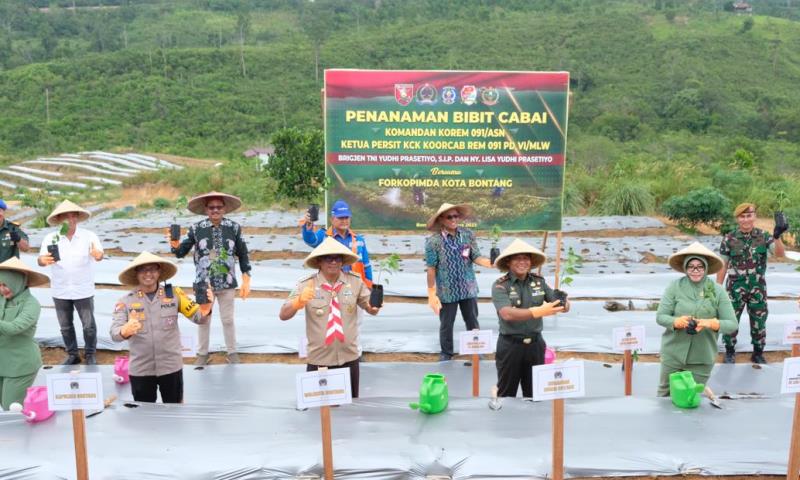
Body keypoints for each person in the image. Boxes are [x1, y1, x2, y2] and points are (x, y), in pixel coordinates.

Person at [279, 237, 380, 398]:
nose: (333, 262)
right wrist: (298, 302)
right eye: (328, 258)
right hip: (319, 361)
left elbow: (370, 307)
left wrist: (375, 305)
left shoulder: (355, 282)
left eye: (337, 258)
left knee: (350, 412)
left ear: (342, 261)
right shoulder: (306, 284)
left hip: (349, 359)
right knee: (318, 415)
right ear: (319, 261)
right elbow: (283, 315)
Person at [110, 252, 213, 403]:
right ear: (136, 273)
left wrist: (206, 308)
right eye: (143, 270)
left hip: (171, 368)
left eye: (152, 269)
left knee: (174, 413)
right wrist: (124, 331)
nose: (148, 274)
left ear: (159, 272)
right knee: (145, 417)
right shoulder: (125, 302)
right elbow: (114, 333)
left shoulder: (175, 295)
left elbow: (199, 318)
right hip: (141, 370)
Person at [169, 191, 252, 365]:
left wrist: (246, 276)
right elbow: (180, 253)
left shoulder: (234, 228)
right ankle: (202, 354)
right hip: (203, 283)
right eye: (211, 207)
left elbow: (243, 253)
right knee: (203, 319)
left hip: (227, 281)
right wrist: (174, 245)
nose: (215, 210)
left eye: (219, 207)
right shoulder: (196, 229)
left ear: (224, 209)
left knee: (228, 319)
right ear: (206, 209)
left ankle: (232, 352)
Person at [657, 242, 737, 397]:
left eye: (700, 266)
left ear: (706, 268)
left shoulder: (717, 291)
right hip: (673, 354)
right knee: (664, 394)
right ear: (685, 268)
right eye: (691, 266)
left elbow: (732, 324)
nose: (695, 271)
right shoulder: (675, 287)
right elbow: (661, 316)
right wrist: (675, 322)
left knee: (691, 396)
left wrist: (710, 323)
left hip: (702, 357)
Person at [491, 239, 568, 397]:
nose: (522, 262)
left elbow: (557, 303)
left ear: (531, 261)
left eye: (526, 258)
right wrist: (538, 311)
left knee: (535, 393)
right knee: (506, 394)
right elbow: (506, 313)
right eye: (517, 258)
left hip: (535, 346)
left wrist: (564, 302)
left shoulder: (539, 282)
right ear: (508, 262)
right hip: (510, 346)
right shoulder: (500, 285)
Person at [717, 202, 787, 364]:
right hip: (734, 288)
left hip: (757, 288)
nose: (746, 219)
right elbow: (723, 264)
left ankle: (758, 352)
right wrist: (718, 287)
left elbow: (780, 254)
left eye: (749, 215)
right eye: (742, 216)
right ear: (737, 219)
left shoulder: (764, 236)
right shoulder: (729, 239)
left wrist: (777, 237)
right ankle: (729, 351)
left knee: (759, 321)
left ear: (754, 216)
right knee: (730, 320)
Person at [37, 200, 103, 365]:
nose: (70, 219)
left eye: (73, 215)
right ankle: (73, 354)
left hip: (83, 289)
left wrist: (97, 255)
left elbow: (99, 254)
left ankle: (90, 354)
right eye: (65, 216)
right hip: (60, 290)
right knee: (65, 326)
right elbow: (40, 259)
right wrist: (42, 260)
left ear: (77, 218)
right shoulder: (51, 238)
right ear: (59, 219)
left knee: (88, 325)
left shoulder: (89, 236)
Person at [424, 202, 492, 362]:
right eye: (450, 217)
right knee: (447, 323)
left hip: (468, 287)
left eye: (456, 216)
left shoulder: (467, 235)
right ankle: (446, 353)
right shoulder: (433, 242)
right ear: (441, 219)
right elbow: (431, 268)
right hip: (447, 290)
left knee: (472, 319)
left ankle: (476, 350)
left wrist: (490, 263)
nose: (454, 219)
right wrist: (431, 292)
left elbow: (475, 256)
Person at [0, 258, 47, 410]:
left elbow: (14, 328)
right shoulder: (2, 299)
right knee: (3, 405)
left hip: (20, 364)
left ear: (18, 282)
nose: (2, 289)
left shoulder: (31, 304)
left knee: (11, 408)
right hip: (2, 361)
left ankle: (20, 434)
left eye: (5, 285)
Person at [298, 199, 372, 287]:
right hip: (330, 288)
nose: (344, 220)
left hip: (355, 288)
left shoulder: (359, 240)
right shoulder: (324, 236)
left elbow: (367, 266)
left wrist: (369, 287)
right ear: (332, 219)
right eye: (340, 218)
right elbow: (310, 240)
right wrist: (307, 228)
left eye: (346, 217)